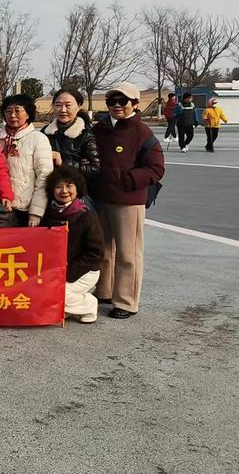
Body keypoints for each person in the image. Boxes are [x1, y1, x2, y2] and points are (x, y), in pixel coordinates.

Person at [92, 82, 165, 319]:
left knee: (128, 253)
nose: (116, 106)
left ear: (135, 104)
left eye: (122, 101)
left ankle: (126, 301)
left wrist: (128, 180)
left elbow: (156, 168)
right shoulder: (100, 129)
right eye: (111, 101)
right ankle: (104, 291)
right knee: (103, 249)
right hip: (101, 197)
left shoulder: (142, 132)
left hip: (128, 201)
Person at [40, 165, 105, 324]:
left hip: (82, 271)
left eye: (69, 185)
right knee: (40, 293)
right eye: (58, 186)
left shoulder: (86, 215)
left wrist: (68, 272)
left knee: (56, 294)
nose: (64, 190)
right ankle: (66, 307)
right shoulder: (49, 214)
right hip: (56, 270)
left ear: (77, 188)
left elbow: (96, 253)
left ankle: (88, 304)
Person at [0, 94, 54, 227]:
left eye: (18, 110)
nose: (12, 115)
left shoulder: (37, 139)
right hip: (2, 208)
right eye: (9, 111)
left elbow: (44, 176)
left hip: (26, 209)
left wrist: (36, 211)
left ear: (28, 114)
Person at [42, 89, 100, 184]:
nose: (63, 110)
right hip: (49, 188)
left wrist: (62, 162)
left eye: (68, 105)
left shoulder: (86, 135)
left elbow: (94, 170)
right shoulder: (45, 132)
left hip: (75, 192)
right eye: (58, 105)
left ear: (79, 106)